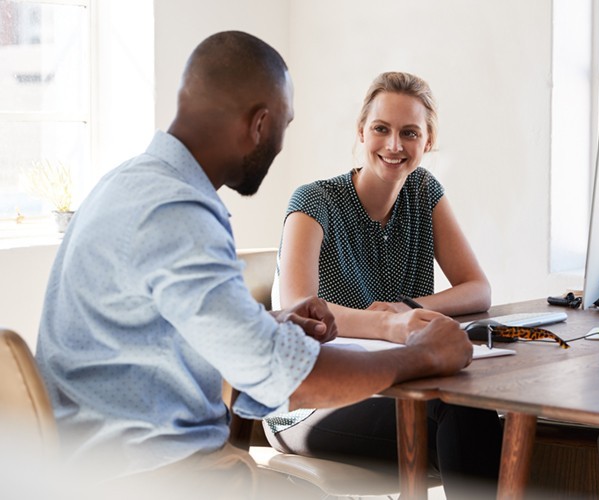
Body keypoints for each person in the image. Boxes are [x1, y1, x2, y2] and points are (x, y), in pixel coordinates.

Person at [33, 32, 473, 499]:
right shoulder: (178, 212)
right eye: (284, 125)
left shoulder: (128, 184)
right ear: (259, 124)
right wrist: (421, 354)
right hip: (153, 477)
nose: (280, 144)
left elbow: (160, 332)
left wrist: (265, 324)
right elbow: (286, 377)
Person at [269, 71, 502, 498]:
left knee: (476, 413)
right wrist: (389, 326)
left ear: (427, 142)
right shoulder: (313, 202)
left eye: (409, 133)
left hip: (393, 388)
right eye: (381, 129)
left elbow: (477, 288)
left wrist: (405, 307)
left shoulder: (424, 192)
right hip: (309, 404)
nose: (394, 145)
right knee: (465, 420)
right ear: (361, 131)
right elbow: (299, 310)